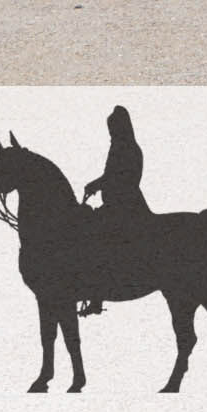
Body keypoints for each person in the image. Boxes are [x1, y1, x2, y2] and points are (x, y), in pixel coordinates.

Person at [78, 105, 146, 316]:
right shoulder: (120, 147)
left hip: (125, 206)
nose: (111, 134)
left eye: (113, 130)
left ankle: (96, 294)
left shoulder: (127, 149)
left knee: (94, 239)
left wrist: (98, 184)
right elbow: (111, 175)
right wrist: (99, 183)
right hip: (115, 204)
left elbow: (122, 177)